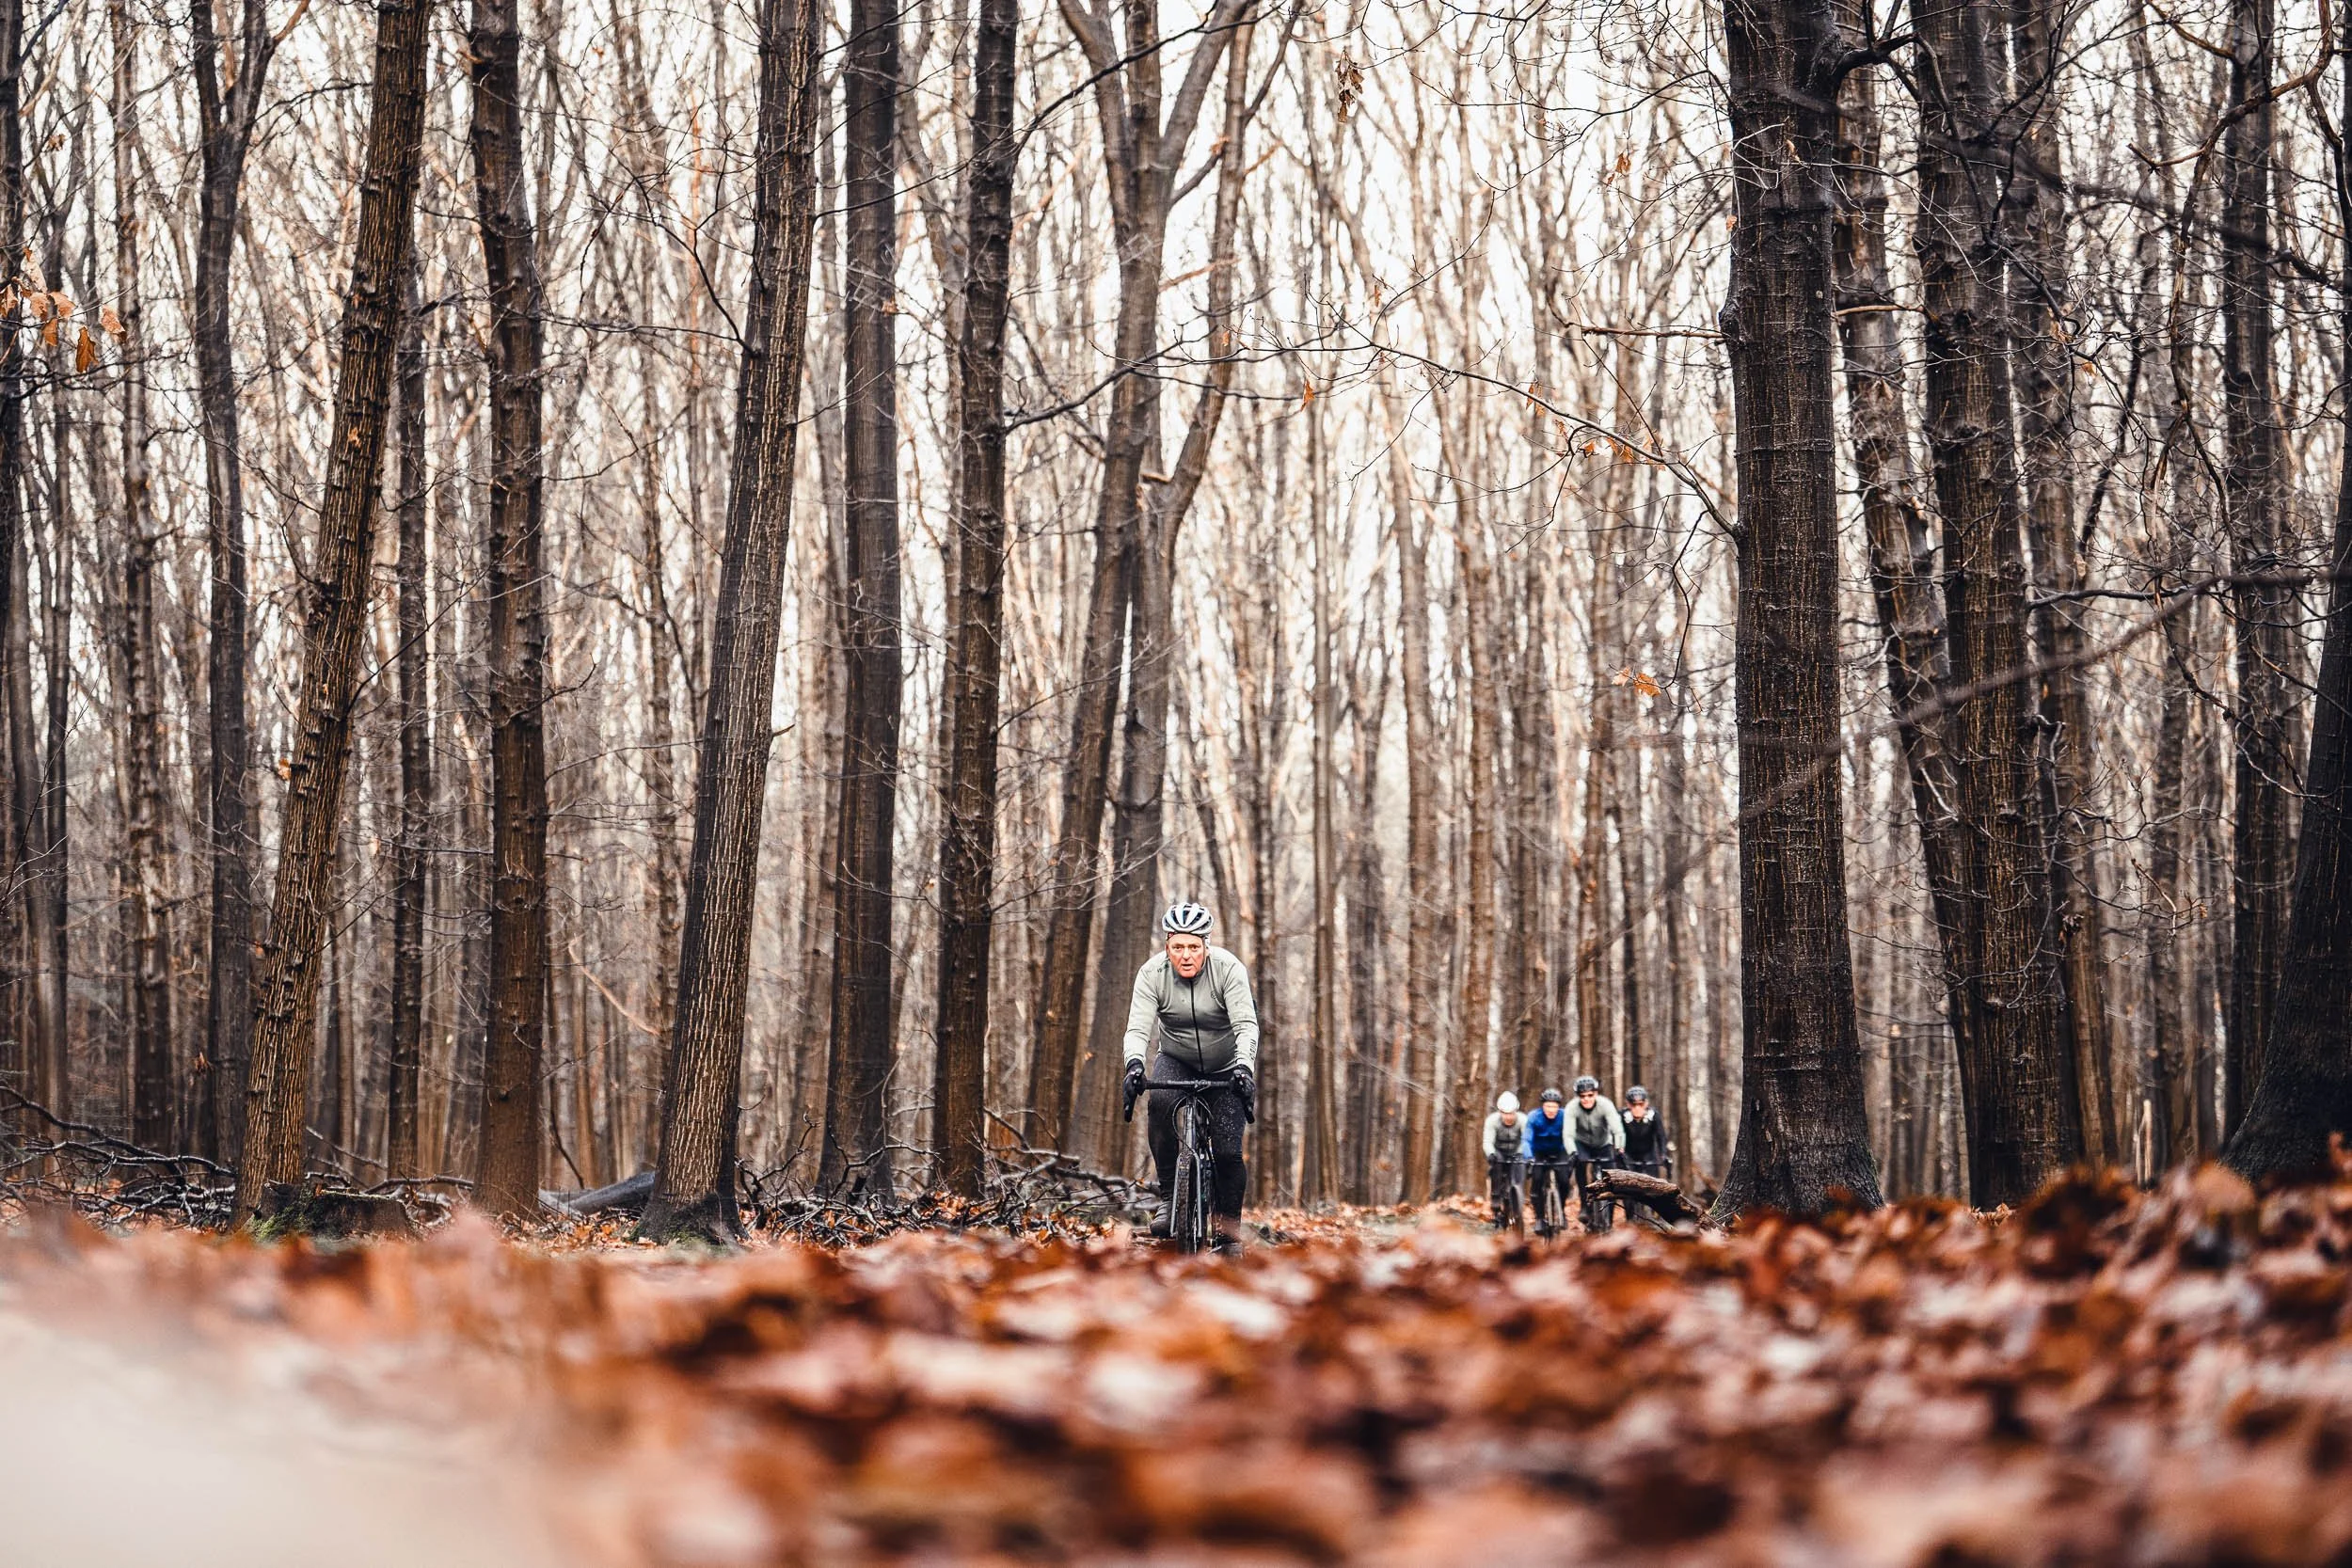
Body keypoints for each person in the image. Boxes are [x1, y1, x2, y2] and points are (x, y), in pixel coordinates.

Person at [1119, 900, 1259, 1249]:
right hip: (1176, 1058)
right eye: (1178, 946)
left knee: (1227, 1152)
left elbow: (1246, 1025)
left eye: (1194, 946)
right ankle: (1169, 1197)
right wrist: (1134, 1064)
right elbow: (1138, 1028)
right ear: (1167, 946)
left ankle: (1229, 1237)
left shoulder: (1228, 969)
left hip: (1226, 1065)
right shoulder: (1152, 974)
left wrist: (1243, 1067)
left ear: (1206, 947)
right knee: (1160, 1105)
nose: (1186, 955)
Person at [1569, 1074, 1626, 1226]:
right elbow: (1567, 1133)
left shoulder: (1606, 1105)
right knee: (1580, 1164)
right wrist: (1572, 1152)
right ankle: (1584, 1205)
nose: (1586, 1099)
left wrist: (1619, 1148)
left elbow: (1618, 1130)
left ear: (1596, 1093)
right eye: (1582, 1096)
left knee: (1612, 1179)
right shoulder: (1572, 1107)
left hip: (1603, 1144)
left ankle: (1610, 1220)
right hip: (1582, 1143)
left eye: (1590, 1095)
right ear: (1578, 1096)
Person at [1522, 1087, 1575, 1228]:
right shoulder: (1534, 1117)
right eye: (1548, 1106)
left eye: (1554, 1106)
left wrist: (1573, 1152)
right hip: (1539, 1153)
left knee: (1564, 1182)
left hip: (1560, 1152)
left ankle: (1561, 1211)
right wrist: (1528, 1157)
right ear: (1542, 1106)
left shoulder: (1565, 1116)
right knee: (1537, 1182)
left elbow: (1572, 1135)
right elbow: (1526, 1139)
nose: (1551, 1109)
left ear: (1559, 1106)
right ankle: (1539, 1218)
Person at [1481, 1092, 1531, 1226]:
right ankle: (1496, 1200)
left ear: (1516, 1111)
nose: (1508, 1117)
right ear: (1500, 1112)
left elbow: (1526, 1140)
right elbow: (1487, 1141)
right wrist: (1491, 1153)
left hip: (1517, 1151)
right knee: (1496, 1165)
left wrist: (1525, 1154)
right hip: (1499, 1151)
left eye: (1511, 1113)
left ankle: (1517, 1196)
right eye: (1505, 1113)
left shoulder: (1523, 1120)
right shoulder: (1492, 1121)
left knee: (1520, 1169)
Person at [1621, 1085, 1670, 1180]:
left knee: (1652, 1183)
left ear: (1646, 1103)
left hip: (1649, 1154)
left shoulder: (1654, 1115)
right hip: (1628, 1154)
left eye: (1641, 1104)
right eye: (1634, 1105)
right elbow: (1616, 1134)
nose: (1637, 1108)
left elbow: (1661, 1136)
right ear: (1628, 1104)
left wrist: (1663, 1154)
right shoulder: (1622, 1115)